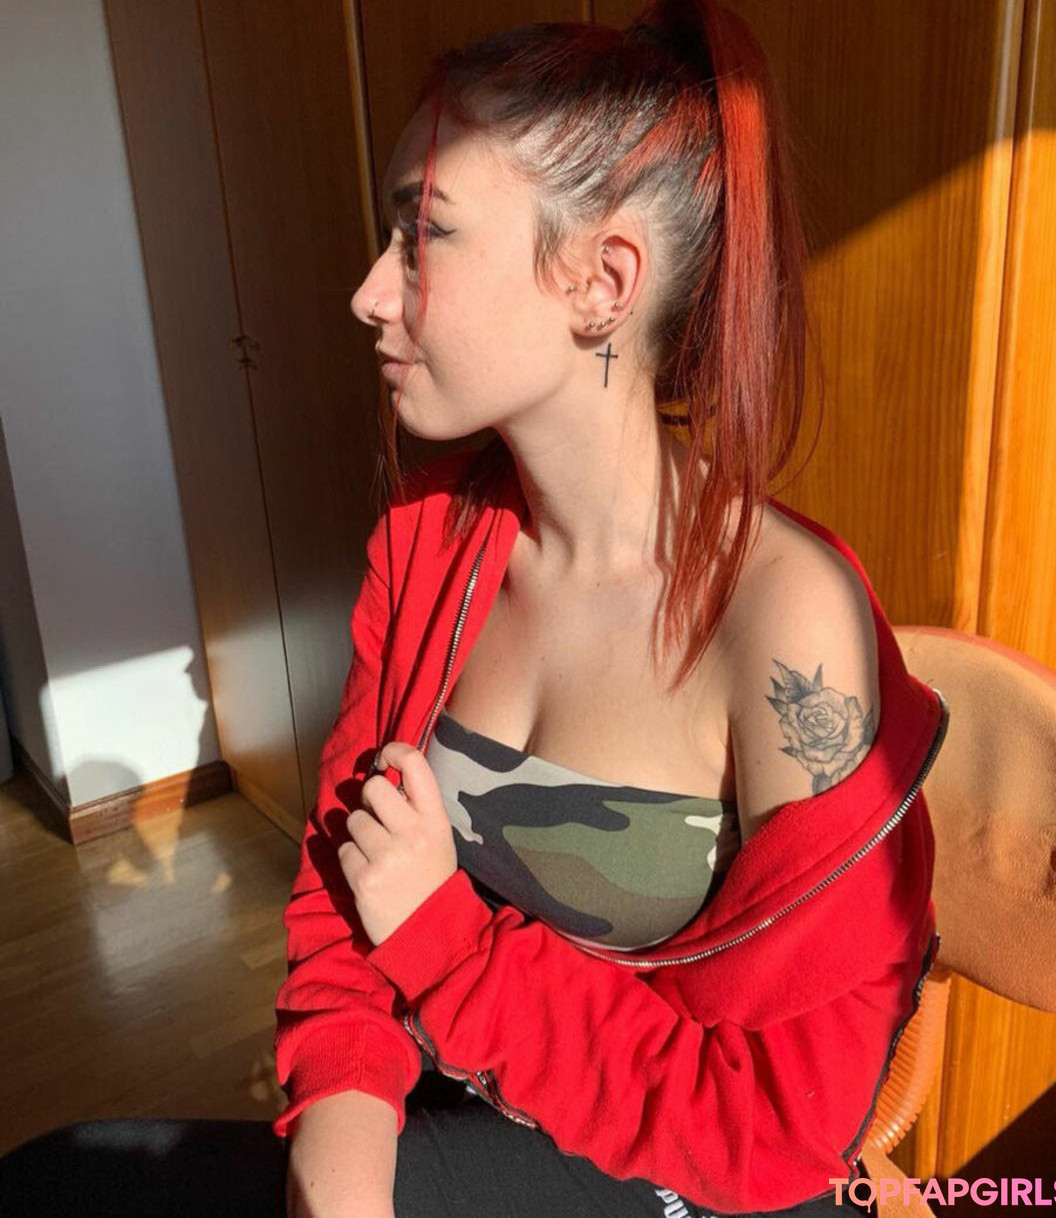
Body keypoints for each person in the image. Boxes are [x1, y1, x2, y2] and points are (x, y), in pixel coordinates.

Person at [0, 2, 947, 1216]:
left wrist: (448, 941)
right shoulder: (438, 535)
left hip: (688, 1178)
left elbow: (782, 1127)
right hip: (475, 1089)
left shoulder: (785, 628)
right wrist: (340, 1172)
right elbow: (348, 889)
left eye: (424, 235)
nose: (368, 293)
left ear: (602, 282)